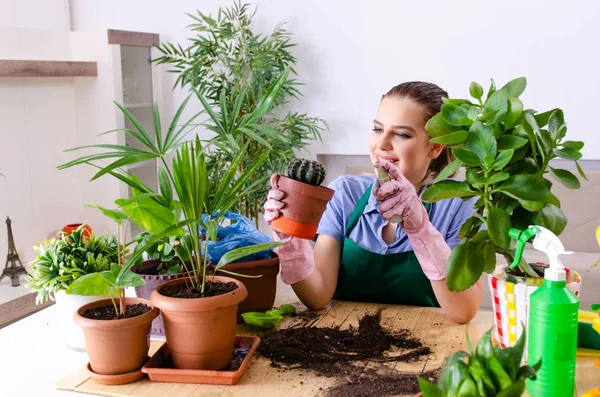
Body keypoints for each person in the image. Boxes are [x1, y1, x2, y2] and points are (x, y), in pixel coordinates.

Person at [264, 81, 482, 324]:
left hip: (428, 345)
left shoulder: (458, 205)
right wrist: (290, 238)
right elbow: (317, 296)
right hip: (343, 341)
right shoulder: (345, 194)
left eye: (401, 134)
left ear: (435, 147)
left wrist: (422, 230)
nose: (382, 143)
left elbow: (464, 311)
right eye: (378, 129)